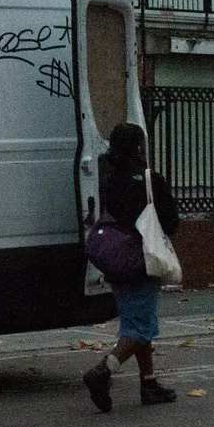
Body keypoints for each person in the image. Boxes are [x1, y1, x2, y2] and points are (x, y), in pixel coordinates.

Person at [82, 122, 181, 411]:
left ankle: (148, 383)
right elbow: (170, 222)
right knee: (139, 329)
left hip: (117, 258)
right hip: (143, 259)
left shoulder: (110, 179)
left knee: (136, 323)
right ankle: (102, 371)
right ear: (139, 146)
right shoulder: (150, 179)